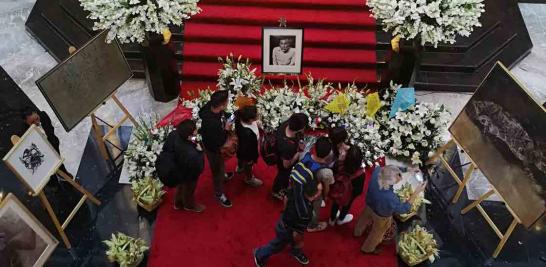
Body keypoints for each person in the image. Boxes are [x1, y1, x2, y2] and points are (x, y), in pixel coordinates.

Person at [353, 165, 427, 254]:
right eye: (397, 178)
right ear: (390, 182)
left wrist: (407, 169)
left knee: (364, 218)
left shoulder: (378, 171)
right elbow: (404, 209)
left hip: (369, 204)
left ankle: (357, 232)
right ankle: (368, 248)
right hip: (381, 215)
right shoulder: (391, 198)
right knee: (377, 232)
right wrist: (416, 193)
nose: (400, 178)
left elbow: (389, 169)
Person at [253, 179, 322, 266]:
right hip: (288, 230)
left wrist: (286, 212)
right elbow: (297, 233)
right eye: (320, 190)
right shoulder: (305, 213)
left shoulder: (298, 189)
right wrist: (299, 242)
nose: (321, 192)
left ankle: (296, 251)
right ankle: (259, 254)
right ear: (315, 195)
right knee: (277, 245)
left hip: (283, 221)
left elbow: (286, 197)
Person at [198, 90, 234, 207]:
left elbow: (201, 112)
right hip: (213, 149)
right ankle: (219, 194)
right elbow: (220, 141)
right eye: (227, 101)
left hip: (211, 141)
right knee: (216, 170)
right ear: (222, 105)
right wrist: (227, 129)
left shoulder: (209, 106)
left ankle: (223, 174)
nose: (228, 103)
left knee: (221, 165)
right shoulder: (213, 124)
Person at [289, 137, 333, 233]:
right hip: (313, 193)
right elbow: (326, 188)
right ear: (328, 154)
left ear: (315, 148)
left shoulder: (305, 154)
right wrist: (325, 197)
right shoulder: (326, 172)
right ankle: (312, 225)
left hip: (298, 186)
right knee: (315, 209)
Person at [21, 107, 73, 186]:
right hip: (44, 150)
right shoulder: (26, 131)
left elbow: (51, 129)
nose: (37, 122)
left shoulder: (44, 115)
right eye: (32, 122)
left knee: (60, 159)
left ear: (36, 113)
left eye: (37, 119)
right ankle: (56, 182)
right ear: (26, 122)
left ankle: (65, 174)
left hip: (55, 143)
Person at [165, 120, 205, 212]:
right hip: (189, 174)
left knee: (180, 186)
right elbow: (198, 166)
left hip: (177, 168)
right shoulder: (191, 153)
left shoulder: (174, 135)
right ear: (189, 136)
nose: (196, 130)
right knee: (189, 189)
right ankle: (189, 205)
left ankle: (177, 202)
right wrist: (200, 151)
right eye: (195, 130)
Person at [272, 113, 309, 201]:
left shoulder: (285, 124)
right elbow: (286, 165)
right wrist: (298, 153)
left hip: (280, 152)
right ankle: (276, 191)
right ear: (300, 128)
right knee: (283, 175)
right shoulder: (288, 146)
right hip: (283, 162)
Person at [329, 145, 365, 226]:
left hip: (337, 191)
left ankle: (331, 220)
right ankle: (341, 220)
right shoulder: (360, 174)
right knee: (346, 206)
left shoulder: (339, 164)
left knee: (335, 204)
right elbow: (359, 190)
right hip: (349, 196)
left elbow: (333, 175)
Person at [234, 105, 263, 187]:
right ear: (250, 119)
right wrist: (252, 158)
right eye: (256, 115)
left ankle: (240, 167)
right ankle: (249, 178)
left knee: (240, 156)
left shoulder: (240, 118)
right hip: (248, 150)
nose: (258, 115)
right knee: (248, 163)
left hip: (241, 146)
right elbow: (249, 149)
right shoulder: (248, 133)